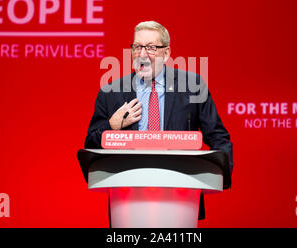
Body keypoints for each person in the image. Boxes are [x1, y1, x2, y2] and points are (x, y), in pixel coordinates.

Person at [84, 21, 233, 222]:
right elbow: (90, 144)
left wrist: (220, 176)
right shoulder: (111, 93)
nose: (142, 54)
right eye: (137, 47)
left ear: (167, 52)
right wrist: (111, 126)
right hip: (128, 200)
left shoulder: (193, 87)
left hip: (181, 198)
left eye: (152, 47)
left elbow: (218, 137)